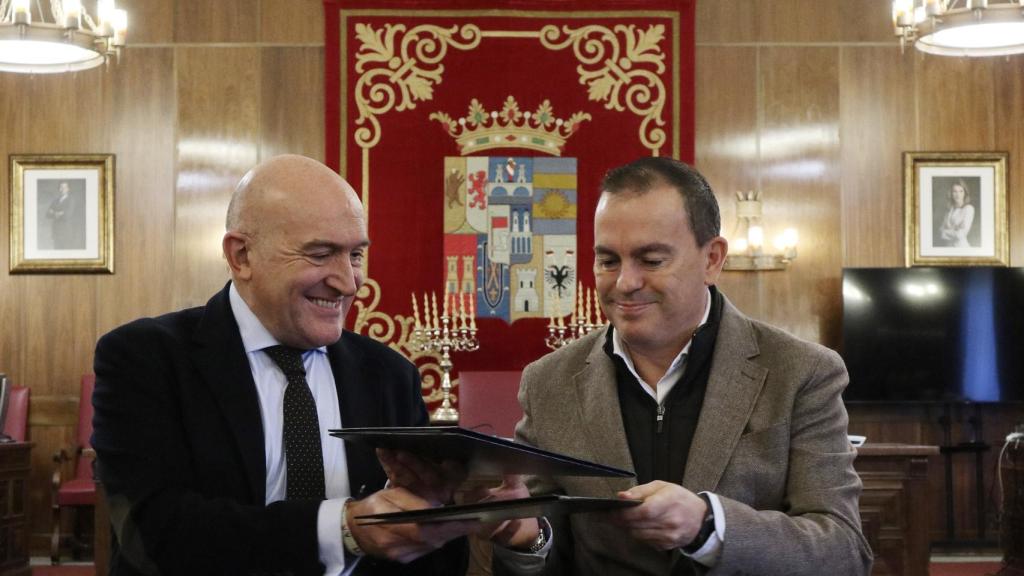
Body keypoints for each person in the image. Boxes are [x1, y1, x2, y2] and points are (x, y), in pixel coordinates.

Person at [489, 157, 872, 575]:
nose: (625, 283)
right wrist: (528, 538)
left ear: (712, 259)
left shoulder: (801, 372)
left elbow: (844, 552)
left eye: (651, 260)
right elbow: (547, 545)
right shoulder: (549, 382)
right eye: (608, 261)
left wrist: (708, 527)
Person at [92, 155, 472, 576]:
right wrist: (342, 530)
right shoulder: (145, 358)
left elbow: (429, 558)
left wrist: (459, 510)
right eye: (321, 254)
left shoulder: (390, 375)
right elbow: (152, 533)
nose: (348, 282)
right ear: (241, 256)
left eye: (355, 255)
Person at [938, 180, 975, 248]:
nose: (958, 194)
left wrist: (946, 231)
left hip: (961, 247)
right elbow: (940, 232)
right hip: (948, 247)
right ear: (951, 193)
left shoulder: (968, 209)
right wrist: (954, 230)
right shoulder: (949, 209)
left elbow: (961, 234)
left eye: (961, 191)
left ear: (965, 193)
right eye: (955, 191)